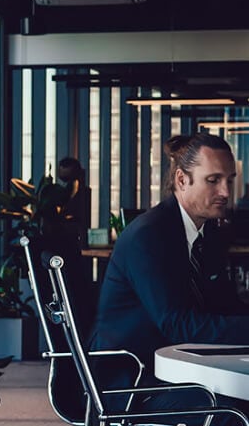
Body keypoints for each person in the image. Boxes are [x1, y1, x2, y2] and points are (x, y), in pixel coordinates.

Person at [91, 133, 249, 424]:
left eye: (230, 179)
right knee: (239, 409)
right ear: (181, 180)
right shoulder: (149, 235)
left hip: (178, 369)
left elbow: (224, 305)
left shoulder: (207, 234)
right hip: (133, 384)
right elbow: (178, 324)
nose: (226, 192)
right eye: (213, 180)